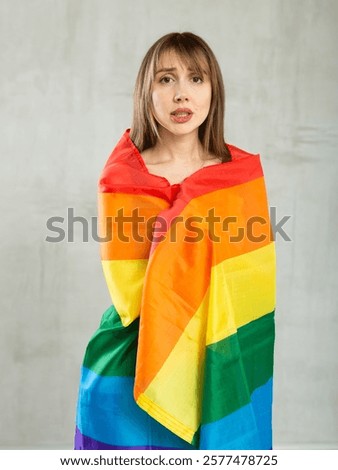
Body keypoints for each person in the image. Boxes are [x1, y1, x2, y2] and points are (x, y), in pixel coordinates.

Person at [74, 32, 276, 450]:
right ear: (146, 92)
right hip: (132, 367)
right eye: (165, 79)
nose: (181, 94)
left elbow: (249, 283)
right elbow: (130, 290)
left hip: (220, 361)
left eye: (196, 79)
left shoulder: (238, 177)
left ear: (213, 89)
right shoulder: (123, 175)